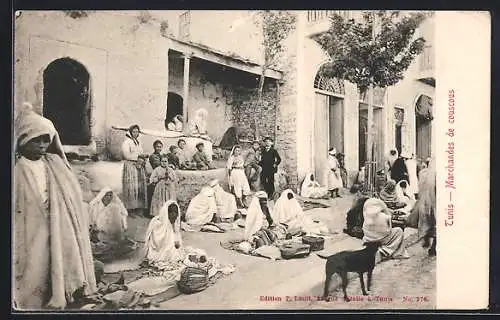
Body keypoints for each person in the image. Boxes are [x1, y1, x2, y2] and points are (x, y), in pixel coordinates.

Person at [13, 102, 96, 309]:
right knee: (33, 267)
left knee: (57, 262)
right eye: (36, 140)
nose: (42, 145)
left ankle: (61, 292)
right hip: (29, 227)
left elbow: (71, 193)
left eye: (45, 140)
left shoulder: (53, 163)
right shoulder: (18, 168)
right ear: (24, 139)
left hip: (56, 224)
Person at [88, 188, 135, 263]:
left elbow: (123, 215)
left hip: (111, 232)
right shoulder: (96, 205)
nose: (109, 197)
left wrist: (124, 226)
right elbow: (91, 219)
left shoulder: (114, 206)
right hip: (98, 231)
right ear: (102, 196)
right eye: (107, 195)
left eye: (110, 195)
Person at [144, 201, 185, 269]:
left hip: (166, 250)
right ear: (167, 213)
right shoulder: (157, 224)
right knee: (172, 256)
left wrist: (176, 243)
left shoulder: (172, 225)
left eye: (176, 213)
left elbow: (177, 242)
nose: (175, 215)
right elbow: (157, 243)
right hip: (158, 251)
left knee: (178, 255)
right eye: (172, 213)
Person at [121, 124, 148, 217]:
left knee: (140, 187)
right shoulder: (127, 142)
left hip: (139, 165)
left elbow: (141, 152)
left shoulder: (138, 142)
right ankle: (130, 209)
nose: (135, 133)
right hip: (130, 166)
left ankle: (138, 209)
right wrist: (138, 158)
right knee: (131, 187)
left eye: (137, 132)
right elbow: (126, 155)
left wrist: (143, 158)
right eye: (134, 132)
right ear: (130, 132)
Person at [414, 158, 436, 256]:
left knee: (426, 222)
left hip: (423, 202)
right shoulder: (436, 174)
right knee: (436, 224)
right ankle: (433, 247)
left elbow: (420, 187)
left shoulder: (422, 173)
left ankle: (427, 238)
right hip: (434, 202)